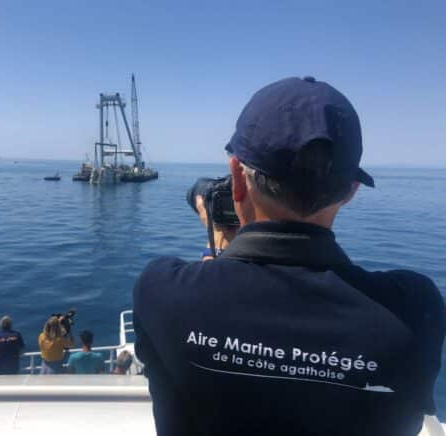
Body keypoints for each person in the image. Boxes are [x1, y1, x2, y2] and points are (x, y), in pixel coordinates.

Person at [133, 77, 445, 436]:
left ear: (237, 176)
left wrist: (221, 247)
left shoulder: (162, 291)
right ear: (350, 191)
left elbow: (209, 309)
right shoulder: (413, 308)